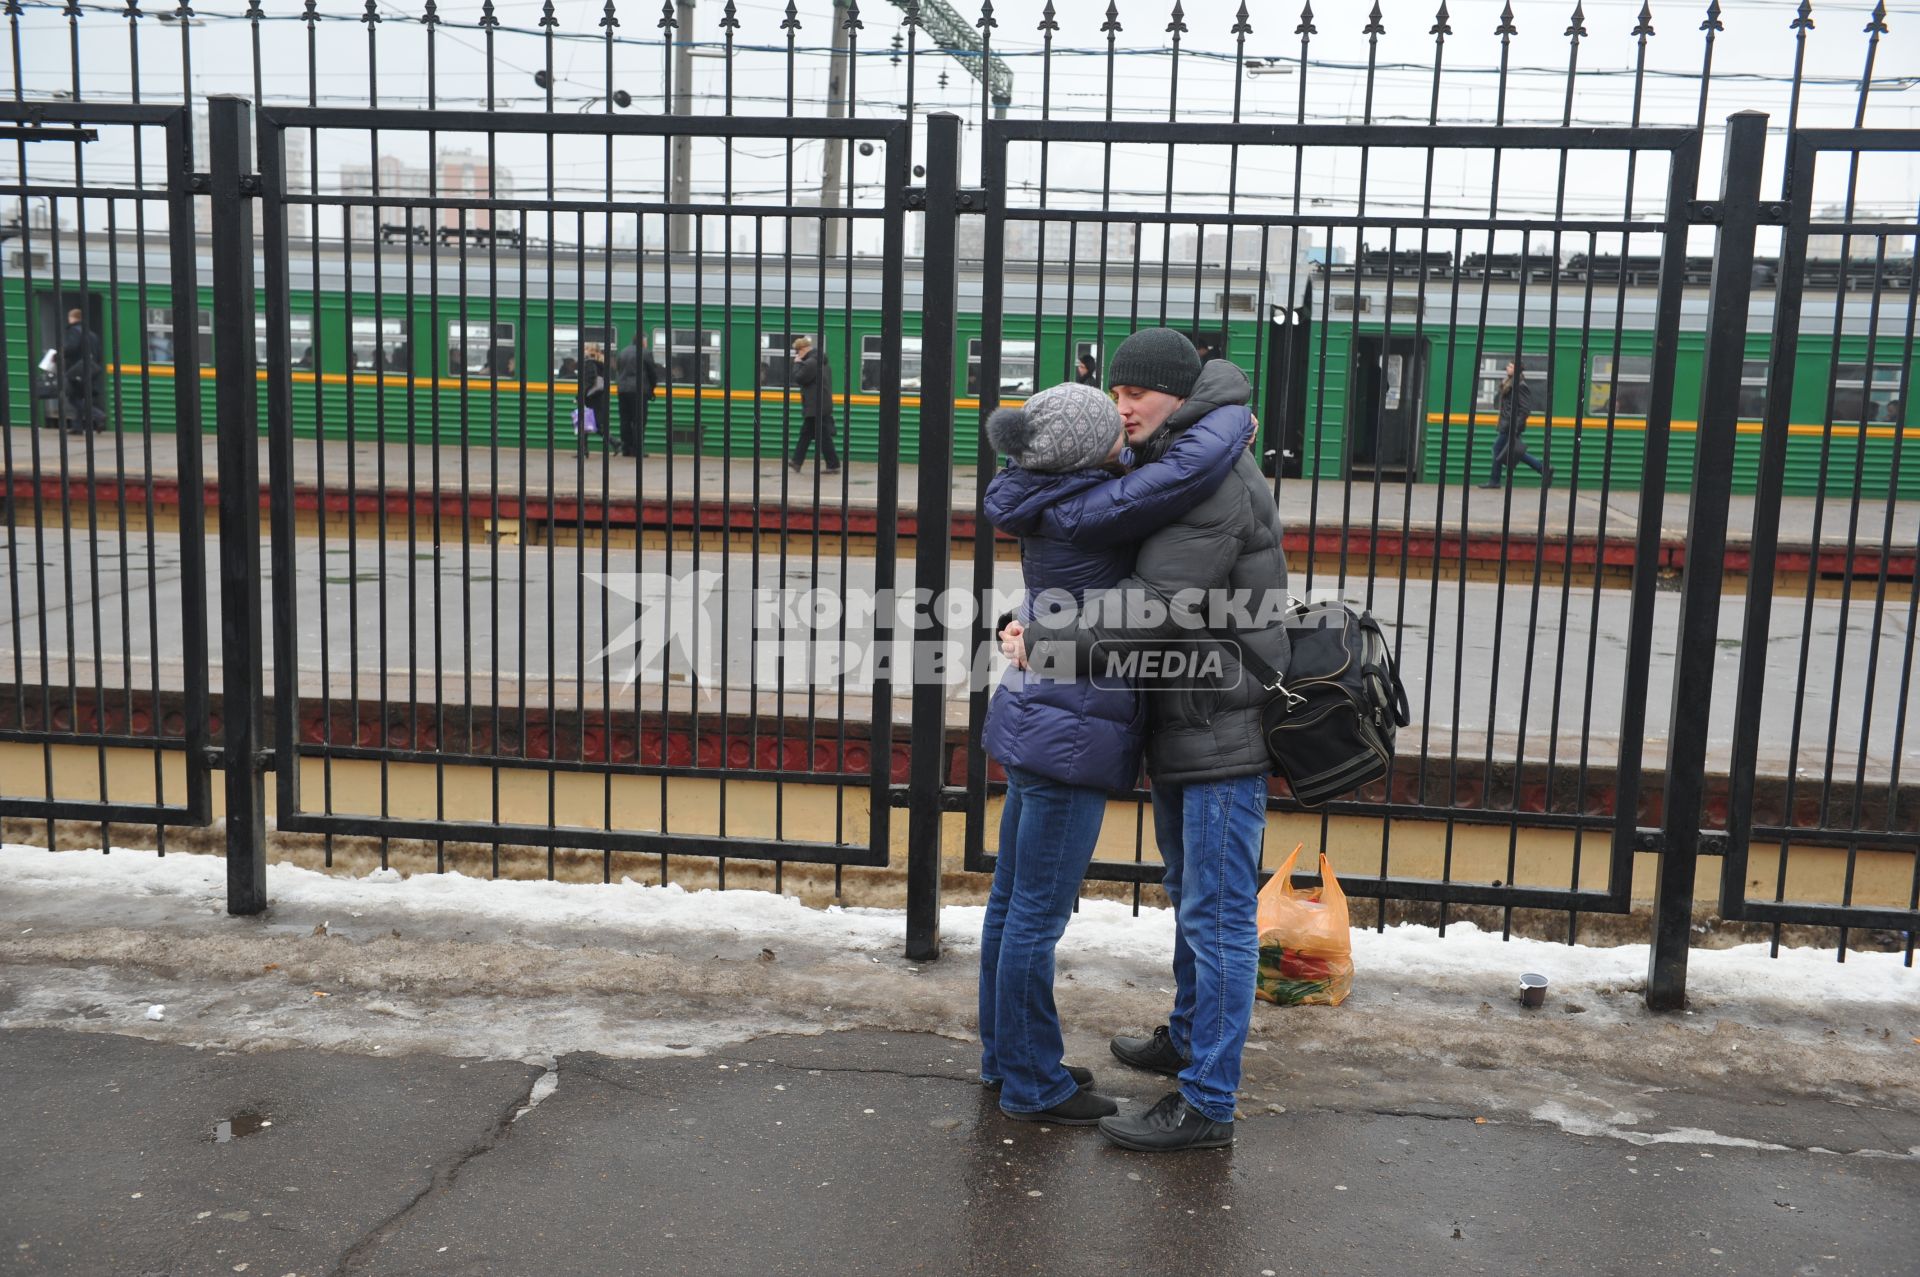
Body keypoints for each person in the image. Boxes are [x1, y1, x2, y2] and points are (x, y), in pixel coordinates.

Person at [1003, 328, 1289, 1153]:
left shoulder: (1213, 482)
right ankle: (1191, 1035)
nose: (1120, 406)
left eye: (1137, 395)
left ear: (1178, 394)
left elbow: (1153, 602)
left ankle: (1207, 1102)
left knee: (1220, 913)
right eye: (1116, 392)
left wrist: (1047, 642)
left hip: (1220, 721)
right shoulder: (1177, 461)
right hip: (1184, 712)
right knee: (1191, 891)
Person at [1481, 357, 1551, 488]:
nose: (1507, 368)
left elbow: (1525, 409)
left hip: (1511, 425)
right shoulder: (1509, 383)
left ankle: (1494, 481)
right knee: (1514, 451)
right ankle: (1543, 469)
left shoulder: (1520, 386)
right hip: (1507, 424)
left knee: (1498, 449)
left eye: (1511, 366)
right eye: (1508, 366)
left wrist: (1515, 426)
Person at [788, 335, 839, 473]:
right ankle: (797, 461)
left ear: (803, 349)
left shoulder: (811, 362)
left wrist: (797, 363)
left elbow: (799, 378)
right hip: (818, 404)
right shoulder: (820, 361)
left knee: (822, 436)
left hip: (816, 405)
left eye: (797, 352)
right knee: (807, 433)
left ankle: (833, 465)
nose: (797, 355)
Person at [615, 333, 663, 458]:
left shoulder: (623, 352)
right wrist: (652, 389)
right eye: (646, 340)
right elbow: (652, 373)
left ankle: (626, 449)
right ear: (642, 341)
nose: (646, 343)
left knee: (625, 420)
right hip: (638, 391)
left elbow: (619, 370)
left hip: (622, 390)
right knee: (639, 421)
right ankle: (637, 450)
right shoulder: (645, 353)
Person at [60, 307, 105, 434]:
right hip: (91, 370)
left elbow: (72, 348)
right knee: (81, 396)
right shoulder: (92, 334)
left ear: (73, 318)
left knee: (73, 397)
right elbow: (99, 354)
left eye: (69, 317)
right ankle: (77, 427)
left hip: (77, 370)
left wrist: (61, 352)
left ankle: (98, 415)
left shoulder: (74, 331)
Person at [577, 342, 609, 445]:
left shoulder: (590, 363)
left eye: (586, 348)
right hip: (598, 397)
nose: (584, 350)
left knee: (589, 423)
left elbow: (590, 380)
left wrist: (580, 395)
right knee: (587, 422)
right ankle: (584, 449)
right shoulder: (600, 363)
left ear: (590, 351)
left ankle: (614, 442)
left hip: (591, 398)